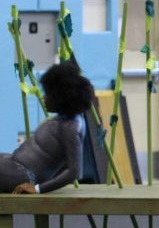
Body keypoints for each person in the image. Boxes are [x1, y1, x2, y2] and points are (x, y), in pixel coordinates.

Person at [0, 61, 91, 194]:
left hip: (24, 175)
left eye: (47, 94)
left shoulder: (71, 126)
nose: (43, 98)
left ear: (60, 97)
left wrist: (38, 188)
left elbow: (74, 172)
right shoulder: (62, 120)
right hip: (15, 165)